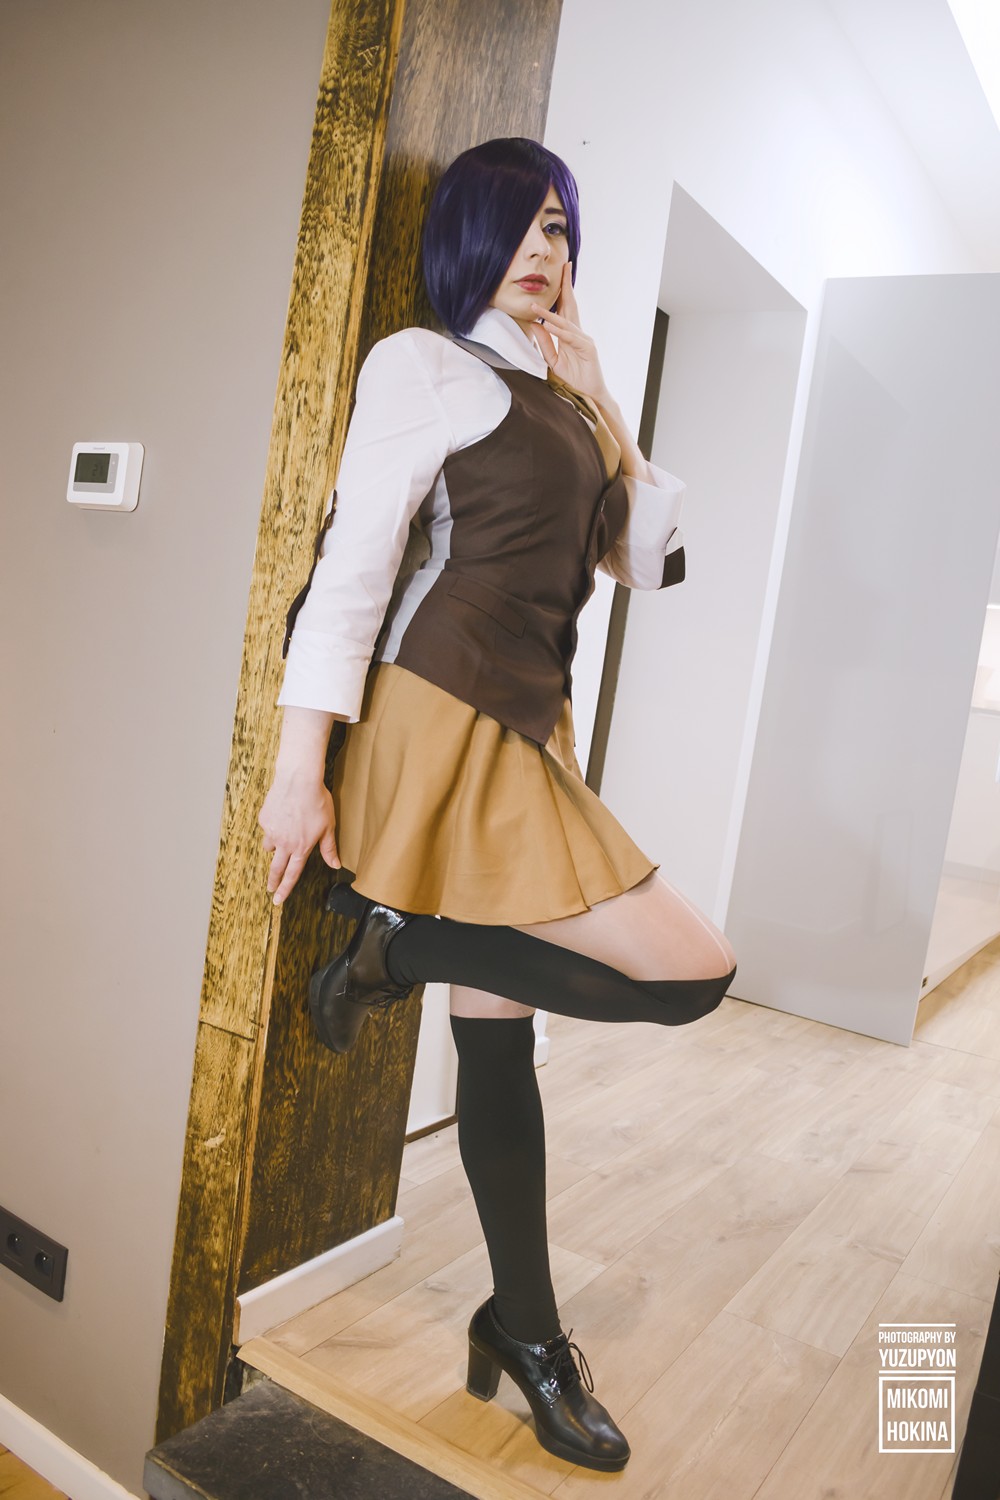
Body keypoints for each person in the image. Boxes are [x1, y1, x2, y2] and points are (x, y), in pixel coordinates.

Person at [258, 137, 736, 1474]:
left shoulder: (569, 398)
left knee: (499, 1044)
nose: (544, 250)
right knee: (693, 973)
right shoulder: (423, 365)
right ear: (471, 235)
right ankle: (395, 951)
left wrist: (610, 403)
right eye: (521, 224)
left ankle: (520, 1328)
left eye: (560, 229)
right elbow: (354, 568)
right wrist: (302, 767)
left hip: (531, 723)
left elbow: (648, 562)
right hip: (438, 709)